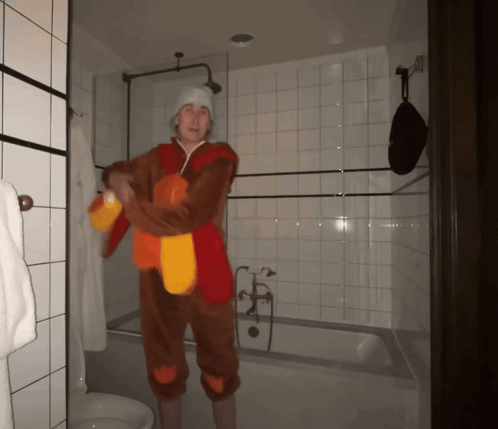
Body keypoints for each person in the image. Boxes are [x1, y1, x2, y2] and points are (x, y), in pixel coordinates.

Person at [100, 86, 240, 429]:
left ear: (210, 123)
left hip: (207, 276)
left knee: (220, 369)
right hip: (158, 280)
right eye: (188, 110)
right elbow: (116, 170)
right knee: (163, 368)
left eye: (203, 111)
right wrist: (116, 178)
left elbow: (187, 217)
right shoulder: (155, 157)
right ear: (176, 119)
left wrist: (132, 205)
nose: (195, 117)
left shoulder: (220, 159)